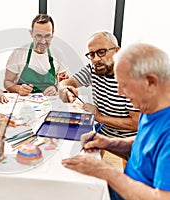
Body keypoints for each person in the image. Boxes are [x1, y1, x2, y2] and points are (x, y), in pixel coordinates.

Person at [62, 43, 170, 200]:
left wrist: (106, 171)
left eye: (124, 85)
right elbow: (147, 147)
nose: (120, 92)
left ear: (151, 82)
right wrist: (109, 143)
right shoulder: (151, 108)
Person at [59, 32, 139, 138]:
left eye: (101, 52)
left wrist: (99, 117)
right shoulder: (93, 69)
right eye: (92, 55)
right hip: (102, 132)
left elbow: (136, 123)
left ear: (117, 51)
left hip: (127, 143)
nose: (96, 59)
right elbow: (66, 82)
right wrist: (65, 89)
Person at [4, 14, 67, 96]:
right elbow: (7, 82)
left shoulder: (58, 54)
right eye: (38, 36)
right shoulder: (19, 54)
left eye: (47, 36)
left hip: (50, 102)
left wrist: (56, 88)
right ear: (31, 33)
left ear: (53, 33)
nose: (43, 41)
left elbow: (65, 82)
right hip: (24, 103)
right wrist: (18, 89)